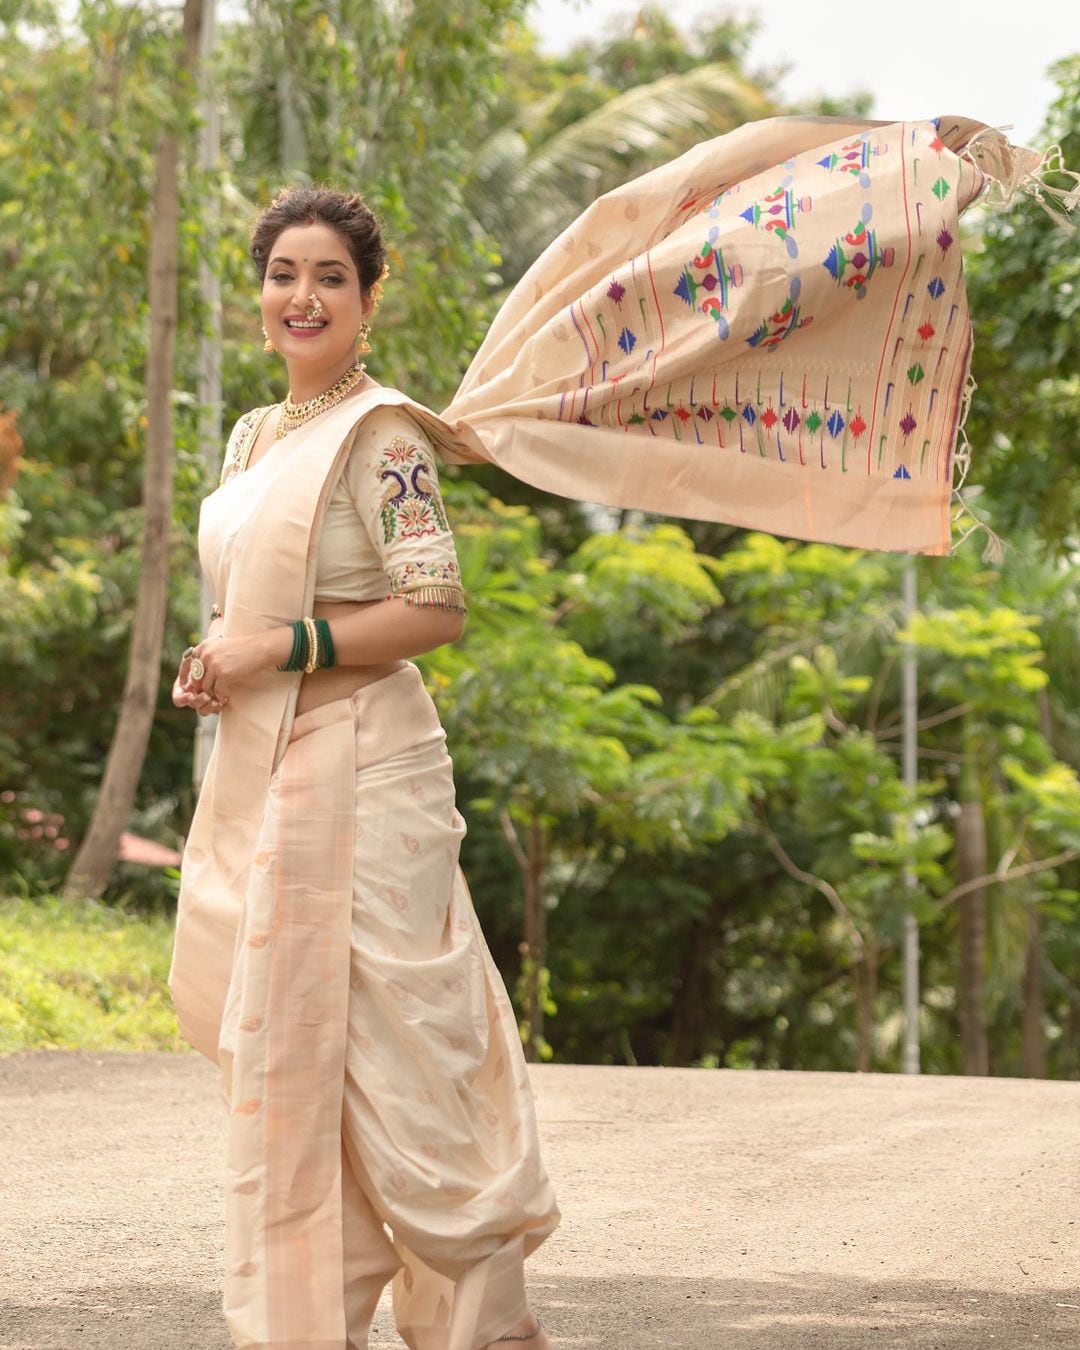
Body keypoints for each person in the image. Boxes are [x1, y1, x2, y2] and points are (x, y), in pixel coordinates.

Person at [169, 188, 558, 1350]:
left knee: (402, 1055)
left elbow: (435, 610)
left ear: (369, 300)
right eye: (284, 274)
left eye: (330, 277)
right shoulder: (252, 436)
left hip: (372, 770)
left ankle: (475, 1322)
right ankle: (306, 1323)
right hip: (271, 760)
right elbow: (255, 602)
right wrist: (223, 661)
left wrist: (280, 647)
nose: (304, 297)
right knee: (293, 1055)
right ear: (260, 293)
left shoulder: (385, 434)